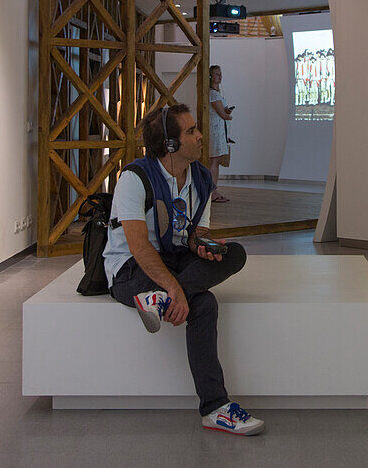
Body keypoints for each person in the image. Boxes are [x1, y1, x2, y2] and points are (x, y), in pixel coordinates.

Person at [102, 103, 264, 436]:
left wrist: (201, 246)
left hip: (173, 259)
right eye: (191, 131)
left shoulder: (201, 178)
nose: (201, 135)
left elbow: (195, 233)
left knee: (235, 254)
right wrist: (176, 289)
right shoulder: (134, 178)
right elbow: (138, 246)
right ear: (171, 144)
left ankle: (157, 301)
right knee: (204, 304)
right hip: (130, 271)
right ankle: (216, 406)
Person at [207, 65, 234, 203]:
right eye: (217, 74)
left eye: (220, 74)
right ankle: (213, 192)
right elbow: (222, 114)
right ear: (211, 76)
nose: (220, 76)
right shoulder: (212, 93)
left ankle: (213, 191)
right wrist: (228, 116)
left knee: (215, 162)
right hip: (215, 132)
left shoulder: (216, 93)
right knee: (214, 162)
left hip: (219, 131)